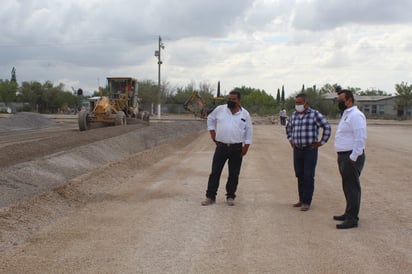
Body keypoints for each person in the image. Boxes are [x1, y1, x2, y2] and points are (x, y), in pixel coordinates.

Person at [201, 91, 253, 206]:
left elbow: (249, 131)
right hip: (221, 147)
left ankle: (230, 196)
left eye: (233, 99)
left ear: (239, 100)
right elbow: (210, 118)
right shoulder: (220, 109)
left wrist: (246, 146)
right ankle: (210, 196)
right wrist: (212, 132)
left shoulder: (245, 114)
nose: (230, 101)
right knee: (215, 172)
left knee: (234, 174)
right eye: (229, 98)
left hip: (237, 148)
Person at [285, 93, 331, 211]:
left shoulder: (315, 114)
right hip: (297, 150)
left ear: (306, 103)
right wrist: (291, 140)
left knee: (308, 175)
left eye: (300, 103)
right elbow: (288, 128)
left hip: (310, 150)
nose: (297, 105)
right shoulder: (294, 115)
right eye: (296, 103)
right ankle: (301, 199)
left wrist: (321, 142)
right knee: (299, 174)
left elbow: (327, 127)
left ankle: (307, 201)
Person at [333, 88, 367, 229]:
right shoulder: (346, 114)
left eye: (341, 100)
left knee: (352, 187)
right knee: (347, 186)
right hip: (343, 155)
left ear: (349, 100)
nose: (339, 102)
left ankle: (353, 218)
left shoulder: (356, 115)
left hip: (351, 156)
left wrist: (353, 156)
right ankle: (348, 213)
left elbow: (361, 138)